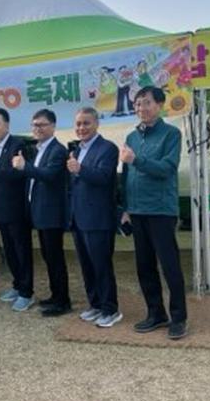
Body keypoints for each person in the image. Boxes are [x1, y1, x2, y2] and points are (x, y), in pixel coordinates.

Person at [120, 86, 187, 340]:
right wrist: (125, 207)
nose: (141, 108)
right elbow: (126, 175)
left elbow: (167, 168)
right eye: (137, 104)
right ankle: (156, 313)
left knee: (170, 265)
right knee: (144, 265)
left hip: (160, 210)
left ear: (159, 105)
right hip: (137, 211)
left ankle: (178, 318)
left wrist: (136, 160)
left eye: (146, 103)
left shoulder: (171, 134)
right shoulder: (132, 136)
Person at [12, 109, 71, 317]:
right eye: (35, 125)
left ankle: (62, 301)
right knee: (48, 256)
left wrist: (24, 167)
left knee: (55, 258)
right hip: (39, 211)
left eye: (42, 124)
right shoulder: (39, 149)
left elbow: (48, 175)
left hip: (51, 213)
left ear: (53, 126)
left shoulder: (58, 150)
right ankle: (56, 295)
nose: (37, 128)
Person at [67, 107, 122, 328]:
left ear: (97, 124)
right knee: (87, 266)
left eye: (86, 123)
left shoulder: (107, 148)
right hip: (79, 217)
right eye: (78, 124)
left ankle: (110, 309)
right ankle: (96, 304)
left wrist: (80, 169)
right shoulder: (76, 150)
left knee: (101, 266)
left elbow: (104, 177)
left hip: (98, 218)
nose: (81, 128)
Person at [0, 108, 34, 312]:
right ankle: (17, 285)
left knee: (22, 251)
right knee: (10, 251)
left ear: (6, 125)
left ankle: (27, 293)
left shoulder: (18, 145)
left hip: (17, 208)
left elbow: (19, 174)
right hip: (1, 209)